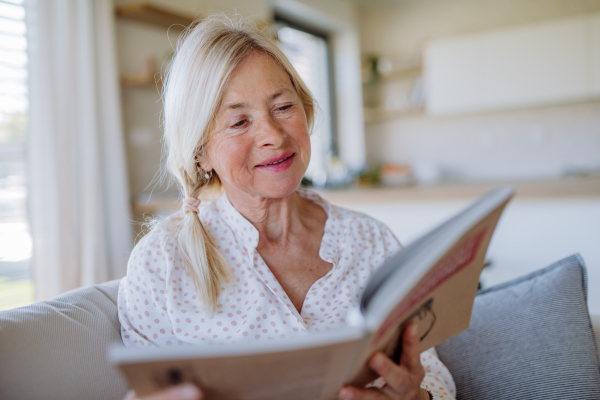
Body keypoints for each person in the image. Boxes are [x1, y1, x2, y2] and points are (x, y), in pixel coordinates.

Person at [118, 13, 456, 400]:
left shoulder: (370, 241)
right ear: (201, 153)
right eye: (240, 122)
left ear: (305, 110)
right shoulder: (161, 263)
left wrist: (417, 396)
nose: (273, 135)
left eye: (282, 107)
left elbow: (432, 373)